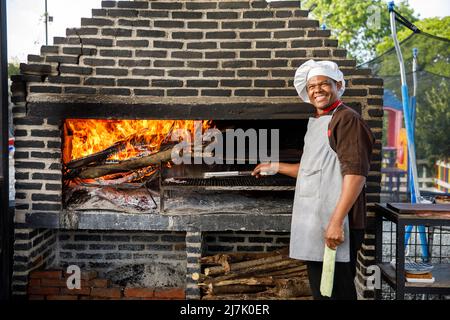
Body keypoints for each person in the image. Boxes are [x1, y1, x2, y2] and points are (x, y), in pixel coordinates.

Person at [252, 60, 375, 300]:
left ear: (338, 85)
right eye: (312, 86)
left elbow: (356, 174)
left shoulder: (347, 120)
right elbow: (313, 170)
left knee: (335, 294)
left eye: (324, 84)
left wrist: (336, 222)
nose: (317, 90)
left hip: (337, 222)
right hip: (318, 220)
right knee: (322, 292)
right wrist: (275, 166)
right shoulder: (321, 120)